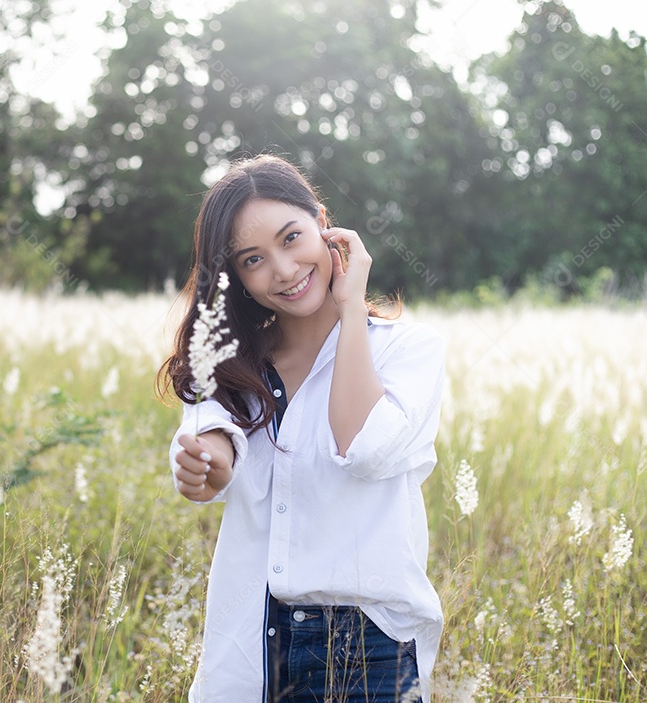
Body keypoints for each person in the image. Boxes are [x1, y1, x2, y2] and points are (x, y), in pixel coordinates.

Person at [158, 154, 445, 702]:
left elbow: (364, 448)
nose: (284, 270)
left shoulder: (410, 351)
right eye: (253, 259)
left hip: (369, 648)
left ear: (322, 222)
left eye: (292, 238)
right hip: (250, 644)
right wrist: (207, 464)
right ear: (236, 277)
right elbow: (215, 438)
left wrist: (351, 306)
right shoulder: (231, 365)